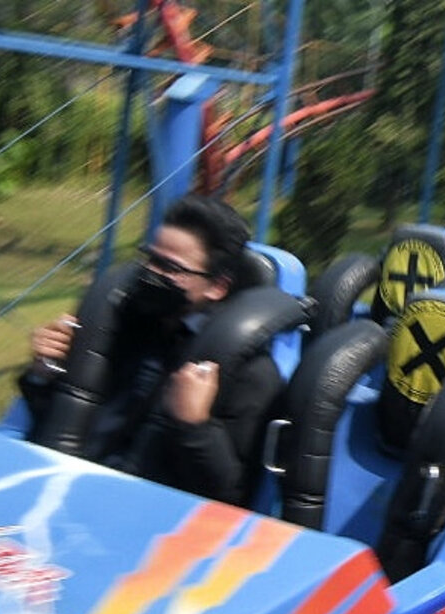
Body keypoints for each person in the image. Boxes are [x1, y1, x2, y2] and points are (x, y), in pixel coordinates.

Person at [19, 194, 281, 505]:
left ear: (217, 287)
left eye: (170, 268)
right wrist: (44, 374)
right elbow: (60, 423)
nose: (151, 274)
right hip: (66, 492)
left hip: (152, 524)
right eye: (150, 258)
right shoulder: (121, 327)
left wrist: (195, 426)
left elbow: (231, 496)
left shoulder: (252, 375)